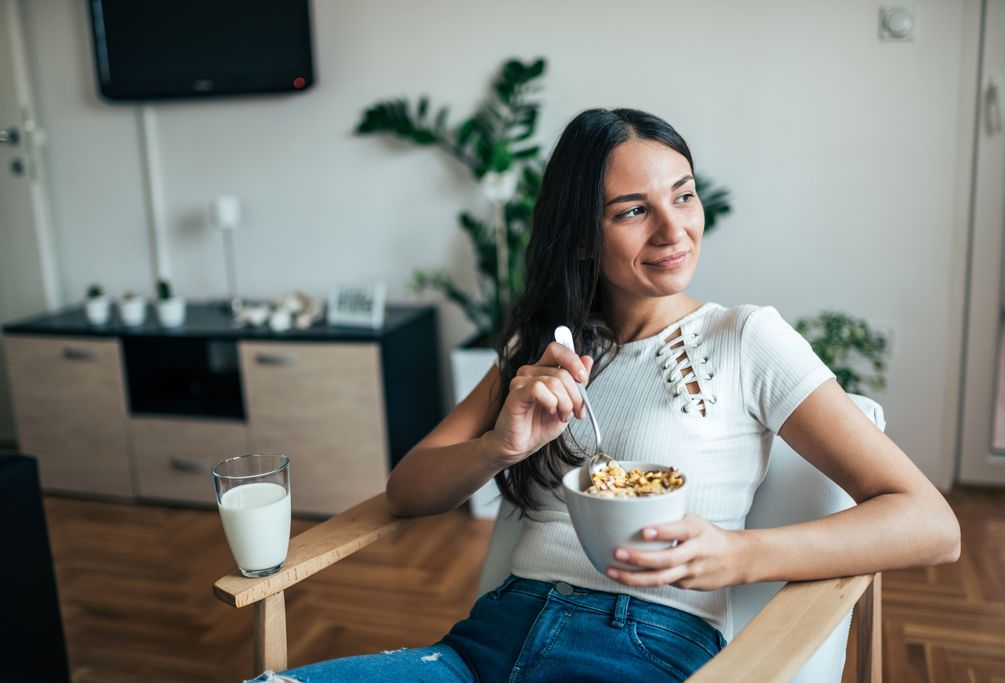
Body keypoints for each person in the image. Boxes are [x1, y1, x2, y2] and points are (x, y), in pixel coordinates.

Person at [250, 108, 961, 683]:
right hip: (481, 647)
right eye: (631, 211)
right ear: (584, 237)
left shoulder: (745, 338)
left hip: (641, 647)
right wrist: (501, 445)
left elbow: (932, 524)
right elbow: (406, 491)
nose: (673, 227)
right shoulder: (539, 355)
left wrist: (742, 555)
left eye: (682, 194)